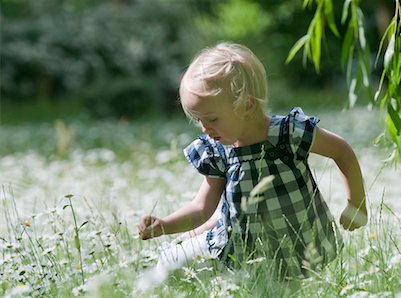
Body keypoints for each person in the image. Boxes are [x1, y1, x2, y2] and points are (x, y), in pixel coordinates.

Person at [138, 42, 367, 280]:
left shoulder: (288, 134)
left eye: (212, 119)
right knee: (168, 265)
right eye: (198, 120)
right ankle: (138, 280)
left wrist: (356, 204)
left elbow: (342, 151)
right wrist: (164, 225)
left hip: (297, 251)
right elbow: (201, 208)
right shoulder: (219, 150)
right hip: (240, 250)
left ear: (246, 105)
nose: (205, 129)